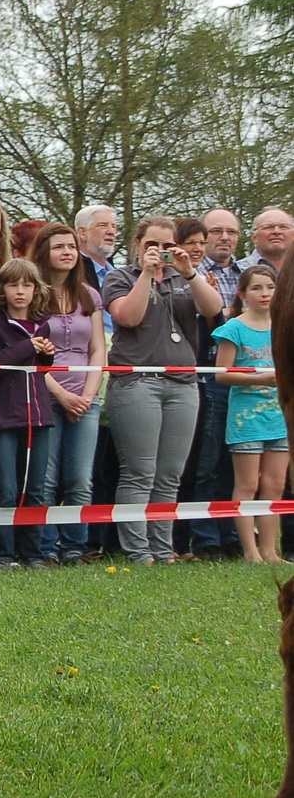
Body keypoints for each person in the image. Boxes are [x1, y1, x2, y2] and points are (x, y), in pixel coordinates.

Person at [103, 216, 223, 566]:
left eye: (167, 245)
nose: (160, 252)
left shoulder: (182, 277)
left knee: (170, 473)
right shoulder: (120, 276)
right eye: (151, 245)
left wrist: (188, 272)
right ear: (137, 244)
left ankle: (162, 547)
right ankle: (138, 551)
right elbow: (128, 316)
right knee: (139, 471)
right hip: (138, 382)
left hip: (183, 384)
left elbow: (214, 310)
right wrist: (145, 272)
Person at [0, 258, 57, 567]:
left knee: (35, 489)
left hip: (39, 416)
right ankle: (0, 553)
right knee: (6, 488)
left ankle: (32, 553)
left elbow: (40, 369)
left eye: (27, 285)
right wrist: (28, 347)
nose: (20, 292)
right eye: (13, 285)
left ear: (36, 290)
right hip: (4, 417)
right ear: (2, 290)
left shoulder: (43, 324)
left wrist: (46, 355)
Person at [31, 223, 104, 563]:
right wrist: (61, 395)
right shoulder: (31, 294)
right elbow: (27, 353)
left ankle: (75, 546)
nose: (67, 253)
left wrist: (88, 395)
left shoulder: (90, 295)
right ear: (44, 251)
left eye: (72, 247)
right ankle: (44, 547)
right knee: (45, 478)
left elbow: (98, 350)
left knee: (79, 479)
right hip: (46, 395)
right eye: (59, 246)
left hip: (86, 397)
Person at [215, 265, 287, 563]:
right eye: (257, 288)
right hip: (247, 417)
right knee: (248, 484)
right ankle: (250, 550)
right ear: (243, 294)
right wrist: (261, 379)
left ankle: (270, 550)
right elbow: (222, 374)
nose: (265, 294)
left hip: (280, 416)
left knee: (275, 484)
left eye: (270, 287)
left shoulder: (284, 327)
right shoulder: (234, 328)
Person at [190, 208, 246, 559]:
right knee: (207, 463)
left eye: (232, 231)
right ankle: (206, 538)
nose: (224, 237)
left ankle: (233, 534)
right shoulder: (194, 273)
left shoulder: (250, 274)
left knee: (237, 463)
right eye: (217, 231)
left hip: (247, 380)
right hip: (209, 374)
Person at [244, 208, 293, 273]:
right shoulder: (238, 270)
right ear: (254, 237)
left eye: (283, 227)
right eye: (268, 227)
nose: (277, 231)